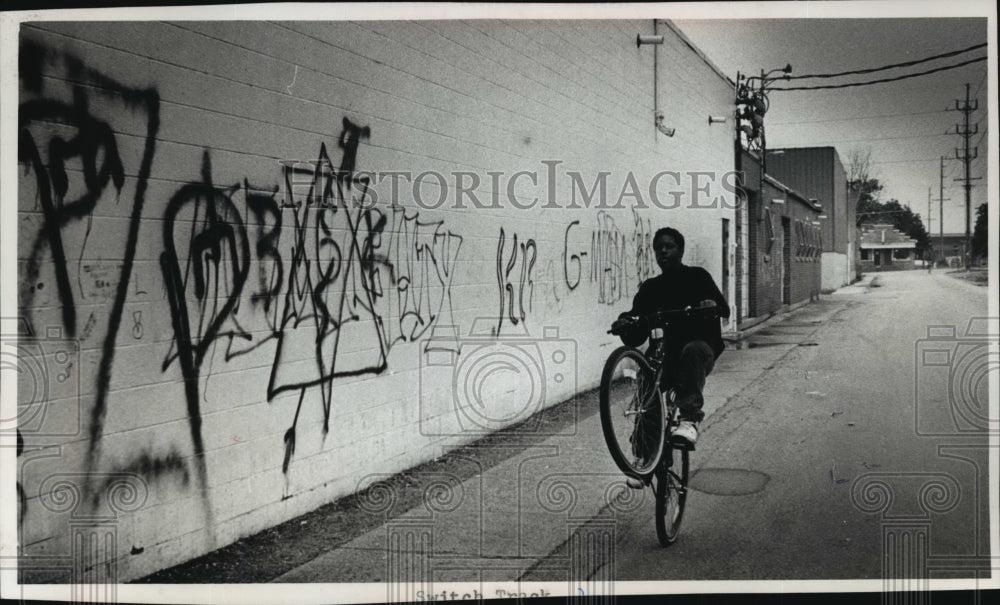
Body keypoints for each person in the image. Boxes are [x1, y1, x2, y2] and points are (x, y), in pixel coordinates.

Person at [610, 227, 730, 469]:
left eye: (669, 246)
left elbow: (723, 309)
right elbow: (637, 325)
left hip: (698, 350)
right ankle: (645, 455)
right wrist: (625, 322)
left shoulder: (698, 277)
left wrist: (711, 305)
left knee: (691, 351)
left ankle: (688, 420)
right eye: (659, 248)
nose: (663, 251)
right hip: (664, 356)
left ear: (681, 250)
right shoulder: (651, 288)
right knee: (648, 386)